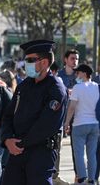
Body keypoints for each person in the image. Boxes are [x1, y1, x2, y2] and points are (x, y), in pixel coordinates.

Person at [1, 40, 67, 185]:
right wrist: (7, 139)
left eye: (30, 60)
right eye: (26, 60)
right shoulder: (24, 86)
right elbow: (8, 115)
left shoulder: (56, 89)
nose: (26, 64)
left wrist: (21, 143)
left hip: (40, 153)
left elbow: (46, 125)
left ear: (44, 63)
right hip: (16, 151)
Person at [64, 64, 99, 185]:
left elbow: (72, 107)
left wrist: (66, 122)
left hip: (79, 124)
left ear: (84, 73)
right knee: (92, 153)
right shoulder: (97, 87)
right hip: (95, 125)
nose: (76, 75)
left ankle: (82, 177)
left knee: (78, 152)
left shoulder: (78, 88)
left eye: (78, 73)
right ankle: (92, 179)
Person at [56, 49, 79, 185]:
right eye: (72, 58)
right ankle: (55, 175)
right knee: (57, 147)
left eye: (76, 59)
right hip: (62, 115)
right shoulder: (59, 77)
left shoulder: (80, 76)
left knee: (77, 147)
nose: (75, 61)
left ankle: (78, 175)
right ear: (65, 60)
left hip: (78, 115)